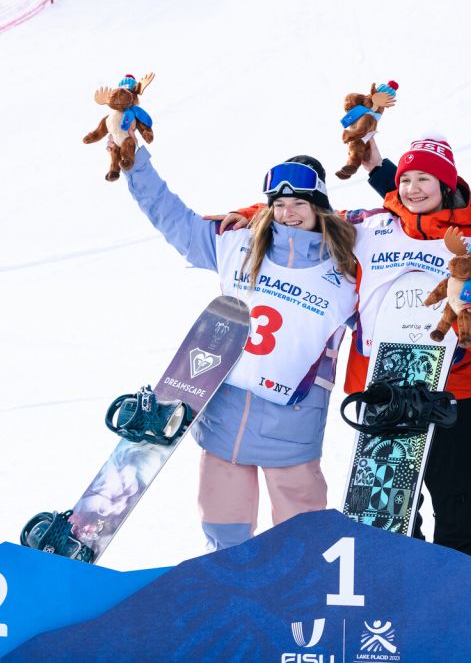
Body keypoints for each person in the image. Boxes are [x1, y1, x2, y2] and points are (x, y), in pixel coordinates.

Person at [223, 135, 471, 561]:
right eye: (406, 179)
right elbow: (309, 214)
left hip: (451, 392)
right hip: (383, 390)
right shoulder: (371, 227)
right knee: (386, 517)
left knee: (459, 514)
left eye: (425, 178)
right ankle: (391, 602)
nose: (413, 188)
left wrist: (470, 315)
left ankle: (462, 608)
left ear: (446, 184)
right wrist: (248, 214)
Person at [124, 144, 359, 551]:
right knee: (224, 529)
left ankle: (300, 597)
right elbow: (172, 217)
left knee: (302, 537)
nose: (289, 213)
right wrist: (134, 165)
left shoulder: (348, 266)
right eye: (280, 204)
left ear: (319, 205)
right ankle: (229, 591)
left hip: (293, 422)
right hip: (223, 418)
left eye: (299, 202)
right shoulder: (238, 245)